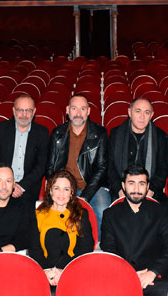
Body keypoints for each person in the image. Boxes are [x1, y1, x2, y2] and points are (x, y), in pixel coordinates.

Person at [100, 166, 168, 296]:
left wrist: (153, 272)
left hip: (154, 278)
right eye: (131, 183)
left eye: (141, 184)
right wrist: (129, 273)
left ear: (148, 186)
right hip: (122, 275)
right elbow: (109, 249)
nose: (136, 189)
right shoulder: (110, 214)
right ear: (123, 186)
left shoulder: (161, 212)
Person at [46, 94, 110, 236]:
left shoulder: (99, 133)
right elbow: (50, 167)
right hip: (65, 186)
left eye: (83, 109)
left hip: (93, 186)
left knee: (102, 211)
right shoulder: (57, 133)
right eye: (74, 108)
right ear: (67, 110)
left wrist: (85, 196)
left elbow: (102, 168)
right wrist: (59, 189)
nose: (78, 114)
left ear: (88, 111)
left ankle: (99, 246)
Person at [29, 170, 94, 290]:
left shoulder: (81, 214)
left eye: (66, 189)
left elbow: (86, 248)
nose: (61, 193)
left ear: (72, 192)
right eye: (57, 188)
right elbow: (34, 249)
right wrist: (47, 271)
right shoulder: (38, 215)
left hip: (73, 273)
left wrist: (64, 271)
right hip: (45, 274)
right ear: (50, 190)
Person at [0, 94, 49, 204]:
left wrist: (21, 186)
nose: (24, 115)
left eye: (28, 110)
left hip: (27, 189)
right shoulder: (1, 128)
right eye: (20, 110)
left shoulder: (42, 133)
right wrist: (8, 184)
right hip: (1, 186)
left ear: (34, 111)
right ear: (14, 110)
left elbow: (41, 166)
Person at [108, 98, 168, 203]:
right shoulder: (116, 134)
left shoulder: (160, 136)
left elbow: (162, 168)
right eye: (138, 111)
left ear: (151, 115)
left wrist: (151, 190)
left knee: (166, 210)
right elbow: (110, 167)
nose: (142, 116)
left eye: (147, 112)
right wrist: (119, 189)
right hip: (121, 188)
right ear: (129, 112)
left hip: (150, 189)